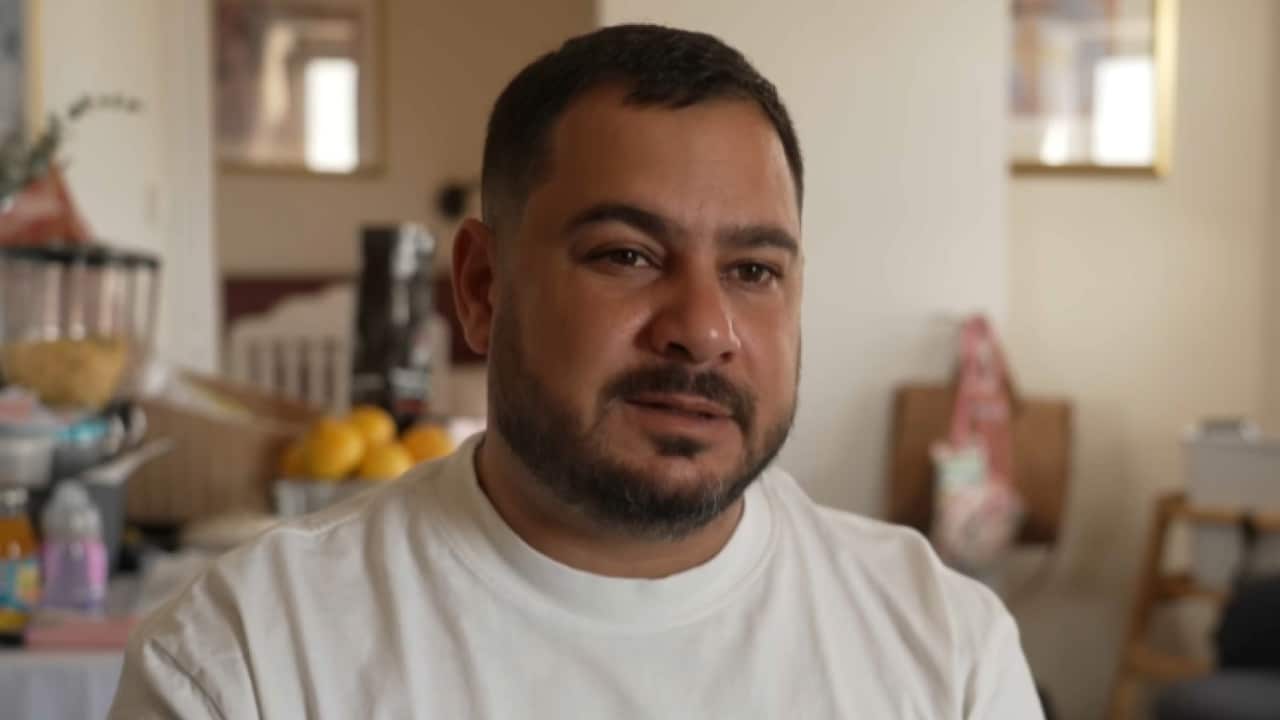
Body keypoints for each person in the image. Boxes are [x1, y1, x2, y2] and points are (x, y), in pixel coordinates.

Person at [109, 24, 1043, 719]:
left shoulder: (947, 652)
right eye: (627, 256)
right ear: (481, 286)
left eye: (754, 271)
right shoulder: (249, 662)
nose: (704, 331)